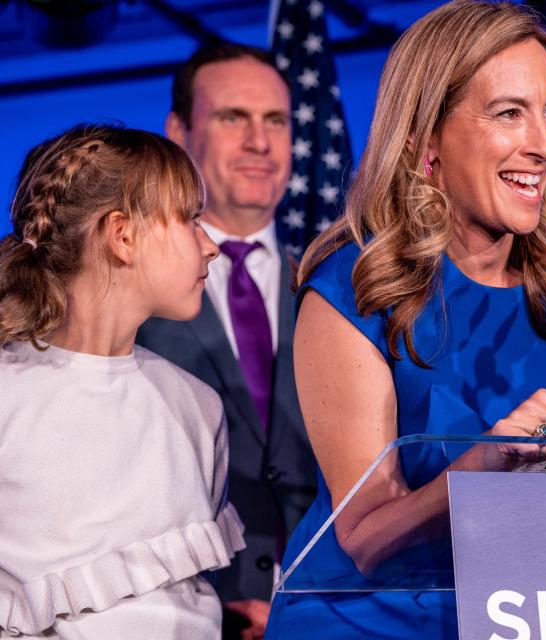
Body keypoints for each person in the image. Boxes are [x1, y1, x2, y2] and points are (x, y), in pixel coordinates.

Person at [264, 1, 546, 637]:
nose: (544, 145)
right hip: (364, 621)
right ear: (427, 141)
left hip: (511, 617)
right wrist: (486, 465)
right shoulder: (354, 289)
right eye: (509, 113)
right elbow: (365, 534)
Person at [0, 124, 243, 638]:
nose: (210, 246)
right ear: (123, 236)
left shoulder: (197, 406)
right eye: (190, 220)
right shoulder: (10, 393)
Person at [136, 44, 317, 638]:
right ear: (179, 131)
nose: (260, 142)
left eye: (276, 121)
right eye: (233, 118)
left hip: (325, 613)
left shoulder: (337, 290)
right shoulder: (124, 292)